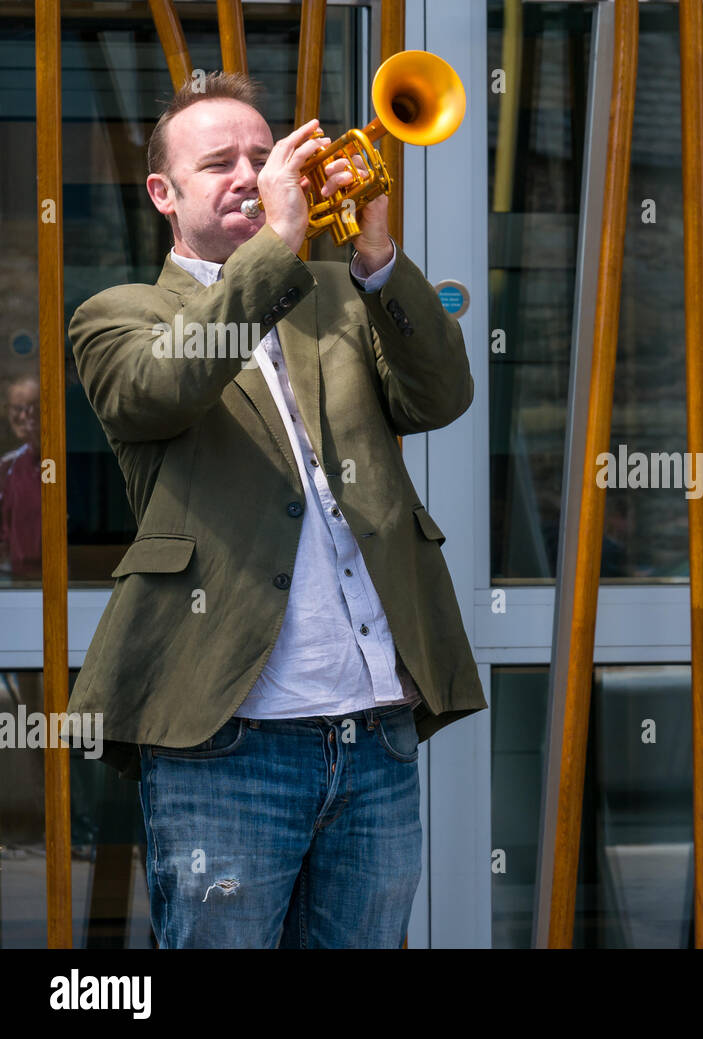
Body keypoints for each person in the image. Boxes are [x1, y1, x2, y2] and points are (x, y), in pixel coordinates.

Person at [67, 72, 484, 948]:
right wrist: (281, 243)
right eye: (218, 162)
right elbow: (163, 387)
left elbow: (442, 395)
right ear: (163, 194)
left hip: (374, 727)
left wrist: (376, 255)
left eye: (263, 157)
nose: (250, 176)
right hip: (230, 737)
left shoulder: (336, 294)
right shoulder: (118, 316)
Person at [0, 374, 41, 581]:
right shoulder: (7, 466)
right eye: (18, 408)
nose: (25, 416)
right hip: (15, 582)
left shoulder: (61, 461)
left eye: (35, 407)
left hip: (66, 580)